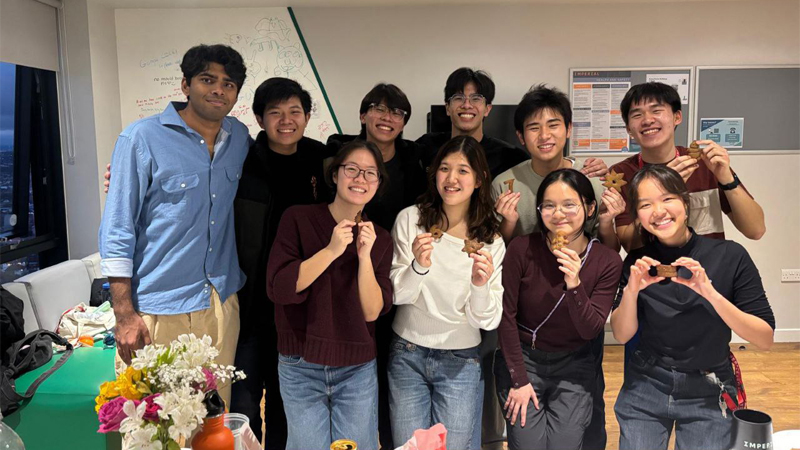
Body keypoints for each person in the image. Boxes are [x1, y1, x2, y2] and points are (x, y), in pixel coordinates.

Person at [98, 44, 249, 406]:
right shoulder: (140, 139)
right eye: (207, 79)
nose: (218, 90)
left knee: (213, 416)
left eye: (228, 84)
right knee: (156, 423)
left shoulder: (239, 138)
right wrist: (124, 315)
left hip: (220, 302)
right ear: (185, 84)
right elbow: (117, 230)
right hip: (159, 310)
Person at [490, 85, 621, 450]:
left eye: (553, 124)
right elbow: (499, 249)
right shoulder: (505, 183)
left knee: (585, 423)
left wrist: (608, 222)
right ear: (520, 136)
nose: (544, 135)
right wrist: (507, 223)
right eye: (533, 127)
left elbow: (605, 253)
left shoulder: (591, 180)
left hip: (576, 319)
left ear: (567, 129)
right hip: (528, 308)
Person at [611, 165, 775, 450]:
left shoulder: (729, 255)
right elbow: (622, 335)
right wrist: (631, 291)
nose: (658, 211)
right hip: (647, 383)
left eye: (667, 199)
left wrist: (710, 293)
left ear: (686, 204)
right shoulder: (638, 263)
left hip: (709, 386)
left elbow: (764, 339)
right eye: (646, 205)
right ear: (638, 216)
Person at [266, 140, 394, 450]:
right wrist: (331, 251)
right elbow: (279, 287)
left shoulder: (380, 238)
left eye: (370, 173)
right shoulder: (297, 218)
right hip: (301, 363)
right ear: (334, 175)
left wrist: (364, 257)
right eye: (352, 169)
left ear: (378, 183)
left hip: (356, 368)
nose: (360, 179)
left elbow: (372, 311)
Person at [231, 77, 332, 449]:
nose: (286, 120)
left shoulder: (321, 161)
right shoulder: (241, 161)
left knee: (286, 404)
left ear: (306, 117)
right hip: (250, 303)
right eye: (275, 112)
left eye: (295, 112)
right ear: (259, 118)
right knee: (242, 403)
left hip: (299, 307)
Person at [326, 83, 426, 450]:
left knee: (386, 368)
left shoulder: (415, 158)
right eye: (378, 109)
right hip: (344, 267)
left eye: (397, 112)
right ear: (363, 114)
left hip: (393, 273)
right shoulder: (339, 152)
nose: (387, 117)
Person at [389, 135, 504, 450]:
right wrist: (418, 266)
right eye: (444, 168)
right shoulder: (411, 220)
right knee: (409, 447)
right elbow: (396, 295)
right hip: (407, 355)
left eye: (463, 171)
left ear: (479, 179)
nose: (452, 179)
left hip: (461, 360)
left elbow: (489, 318)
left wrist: (480, 286)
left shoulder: (490, 240)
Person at [610, 82, 765, 252]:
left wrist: (727, 178)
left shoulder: (704, 164)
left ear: (677, 117)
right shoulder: (622, 173)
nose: (647, 120)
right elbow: (629, 244)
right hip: (651, 272)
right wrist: (665, 188)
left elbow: (756, 230)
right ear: (629, 129)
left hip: (708, 269)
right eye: (637, 115)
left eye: (656, 111)